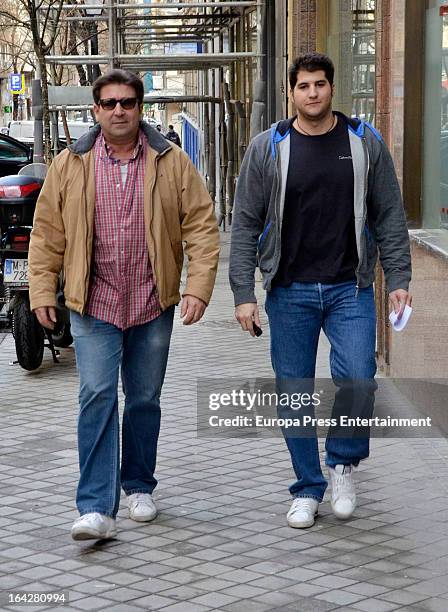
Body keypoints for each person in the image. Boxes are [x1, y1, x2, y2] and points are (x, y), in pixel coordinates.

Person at [29, 69, 219, 541]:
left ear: (140, 108)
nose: (119, 110)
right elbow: (47, 234)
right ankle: (95, 506)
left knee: (143, 399)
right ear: (95, 110)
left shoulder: (170, 161)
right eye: (110, 103)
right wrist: (39, 290)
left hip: (153, 302)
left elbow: (201, 224)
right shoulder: (69, 165)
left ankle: (138, 484)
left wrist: (197, 286)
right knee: (96, 394)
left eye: (128, 102)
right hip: (93, 303)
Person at [229, 52, 412, 528]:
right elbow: (245, 223)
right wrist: (243, 293)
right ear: (291, 93)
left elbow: (389, 215)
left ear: (332, 89)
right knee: (294, 392)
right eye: (304, 86)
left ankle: (343, 465)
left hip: (348, 288)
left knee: (358, 376)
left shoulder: (363, 141)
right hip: (288, 290)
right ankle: (306, 488)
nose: (313, 93)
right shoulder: (268, 146)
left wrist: (398, 281)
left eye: (320, 85)